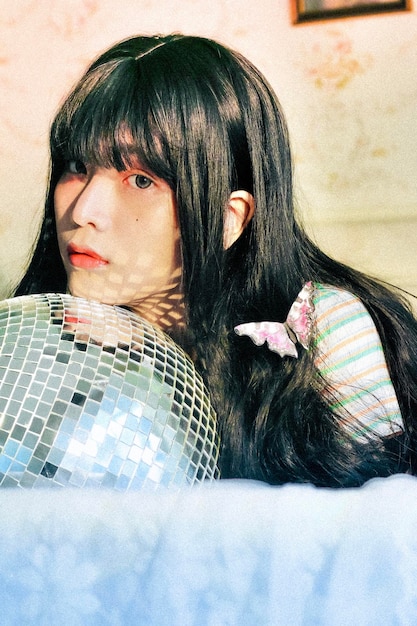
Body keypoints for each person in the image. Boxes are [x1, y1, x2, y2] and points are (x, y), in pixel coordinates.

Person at [13, 34, 417, 487]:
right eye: (77, 167)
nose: (83, 211)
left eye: (141, 180)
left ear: (228, 219)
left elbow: (375, 536)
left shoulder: (323, 326)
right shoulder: (36, 337)